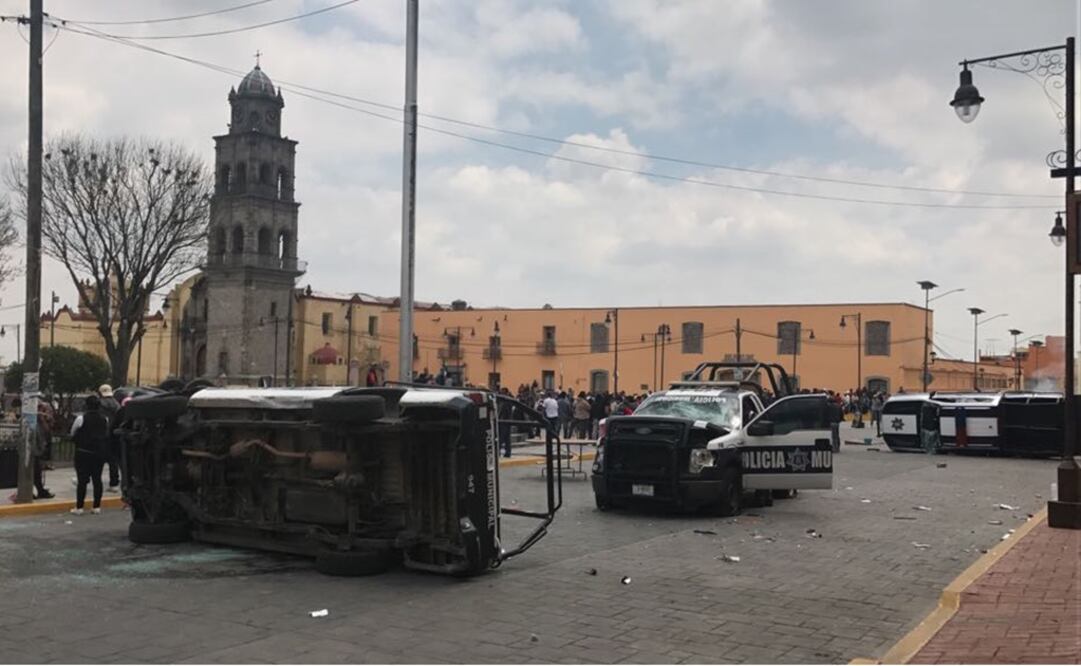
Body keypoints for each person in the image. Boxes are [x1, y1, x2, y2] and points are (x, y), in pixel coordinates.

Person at [70, 395, 110, 515]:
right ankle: (96, 506)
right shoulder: (105, 419)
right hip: (99, 453)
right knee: (97, 479)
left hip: (83, 452)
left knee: (82, 480)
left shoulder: (81, 419)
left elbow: (73, 433)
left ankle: (79, 507)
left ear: (86, 405)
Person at [98, 384, 121, 493]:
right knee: (113, 461)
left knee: (97, 460)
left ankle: (94, 480)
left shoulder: (100, 405)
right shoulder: (117, 404)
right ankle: (114, 484)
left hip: (102, 435)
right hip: (114, 435)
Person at [33, 403, 55, 499]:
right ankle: (38, 490)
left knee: (37, 473)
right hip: (34, 451)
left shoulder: (42, 422)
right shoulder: (34, 422)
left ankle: (40, 490)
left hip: (38, 450)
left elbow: (47, 431)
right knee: (35, 472)